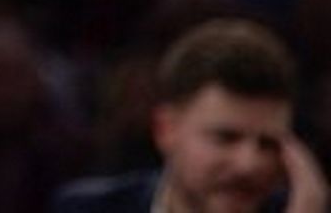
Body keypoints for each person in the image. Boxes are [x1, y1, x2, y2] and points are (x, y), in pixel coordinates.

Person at [51, 18, 328, 213]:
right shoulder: (87, 209)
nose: (248, 164)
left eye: (268, 144)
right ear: (165, 130)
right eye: (226, 138)